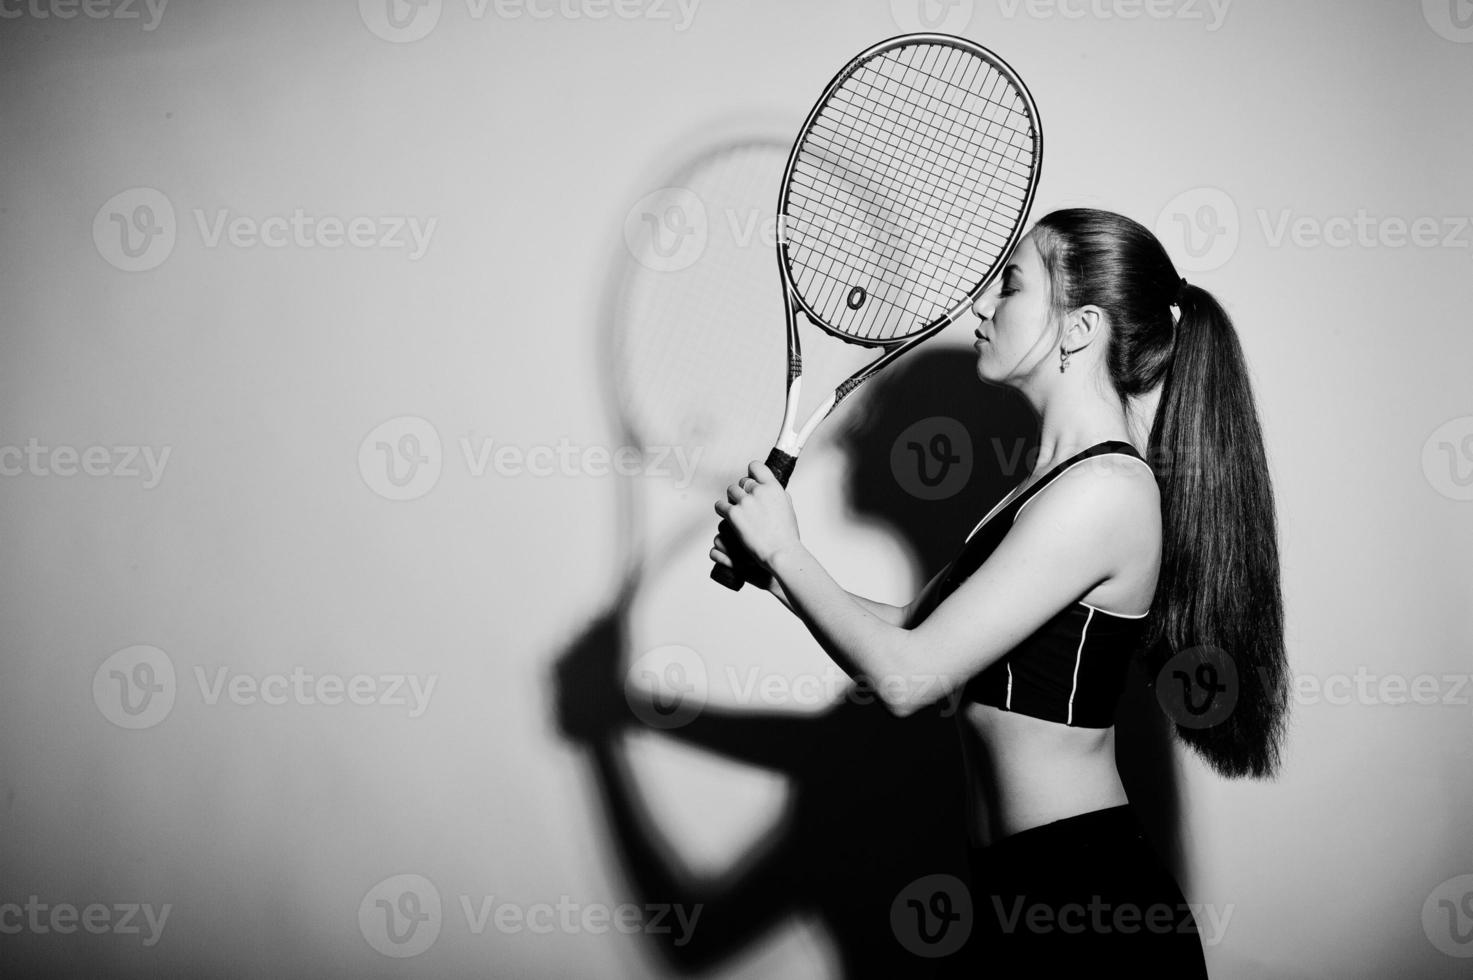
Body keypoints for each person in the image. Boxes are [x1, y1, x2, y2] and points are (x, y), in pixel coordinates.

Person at [710, 208, 1290, 973]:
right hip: (1017, 890)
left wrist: (785, 547)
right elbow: (927, 635)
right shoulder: (1047, 487)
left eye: (1008, 286)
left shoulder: (1108, 491)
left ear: (1078, 328)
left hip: (1085, 902)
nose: (978, 307)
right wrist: (775, 573)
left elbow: (908, 678)